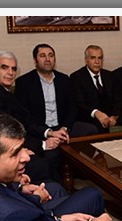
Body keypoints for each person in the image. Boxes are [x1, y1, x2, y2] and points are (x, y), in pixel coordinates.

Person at [0, 50, 56, 182]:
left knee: (55, 154)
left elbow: (24, 119)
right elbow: (2, 135)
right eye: (4, 67)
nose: (10, 73)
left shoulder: (2, 90)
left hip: (14, 143)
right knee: (44, 163)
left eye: (14, 69)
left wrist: (48, 133)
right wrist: (42, 145)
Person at [14, 43, 96, 181]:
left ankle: (82, 173)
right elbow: (25, 119)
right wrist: (49, 133)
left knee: (90, 130)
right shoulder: (24, 83)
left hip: (62, 126)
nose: (47, 59)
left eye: (51, 55)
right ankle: (59, 186)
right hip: (40, 131)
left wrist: (64, 128)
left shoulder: (64, 79)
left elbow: (72, 108)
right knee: (52, 155)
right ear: (35, 60)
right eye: (43, 56)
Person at [69, 45, 117, 133]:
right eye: (93, 58)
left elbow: (118, 99)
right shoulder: (77, 77)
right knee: (98, 125)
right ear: (86, 60)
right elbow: (79, 104)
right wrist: (96, 113)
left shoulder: (109, 76)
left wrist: (114, 116)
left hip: (110, 116)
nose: (97, 62)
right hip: (89, 116)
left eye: (100, 58)